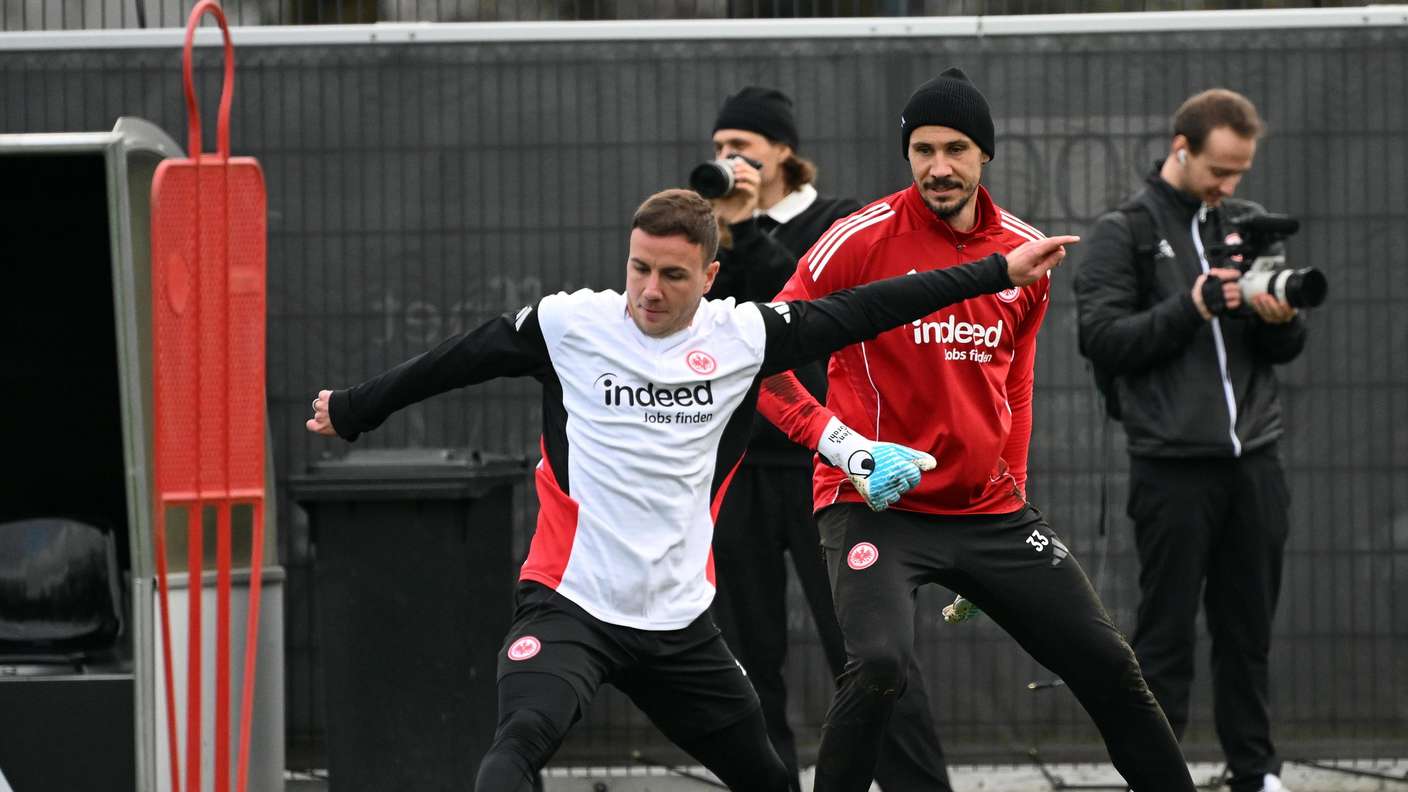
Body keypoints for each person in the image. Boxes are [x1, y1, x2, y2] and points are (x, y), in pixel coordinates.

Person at [306, 188, 1072, 791]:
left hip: (680, 629)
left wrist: (997, 272)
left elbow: (867, 307)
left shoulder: (740, 337)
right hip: (571, 605)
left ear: (708, 277)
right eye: (639, 267)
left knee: (769, 777)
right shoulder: (571, 326)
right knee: (515, 748)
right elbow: (453, 360)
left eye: (673, 275)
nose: (649, 290)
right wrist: (353, 409)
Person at [754, 68, 1197, 792]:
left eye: (956, 148)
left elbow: (1015, 389)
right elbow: (764, 362)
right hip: (875, 505)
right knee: (879, 667)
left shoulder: (1027, 254)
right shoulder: (857, 241)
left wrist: (1013, 494)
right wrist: (848, 450)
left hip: (988, 514)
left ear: (984, 154)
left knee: (1110, 663)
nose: (939, 168)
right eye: (923, 149)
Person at [702, 86, 953, 791]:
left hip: (828, 463)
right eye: (720, 150)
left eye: (743, 149)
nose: (730, 162)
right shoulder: (710, 227)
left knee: (869, 648)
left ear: (784, 152)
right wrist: (724, 229)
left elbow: (794, 304)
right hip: (736, 465)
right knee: (747, 654)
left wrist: (750, 226)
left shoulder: (835, 221)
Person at [1073, 89, 1305, 792]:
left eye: (1240, 172)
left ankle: (1254, 771)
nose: (1230, 186)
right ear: (1182, 147)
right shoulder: (1127, 230)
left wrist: (1277, 314)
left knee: (1249, 633)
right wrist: (1192, 304)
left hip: (1254, 460)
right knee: (1165, 637)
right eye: (1219, 170)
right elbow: (1102, 338)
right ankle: (1157, 775)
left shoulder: (1248, 224)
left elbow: (1287, 346)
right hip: (1171, 466)